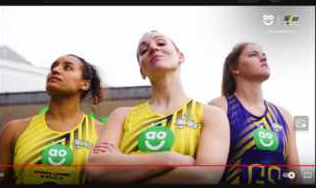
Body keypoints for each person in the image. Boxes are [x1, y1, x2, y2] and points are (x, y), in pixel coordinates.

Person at [85, 30, 230, 184]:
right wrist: (168, 159)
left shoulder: (211, 115)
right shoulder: (121, 116)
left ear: (180, 57)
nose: (153, 49)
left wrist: (122, 165)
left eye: (161, 43)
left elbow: (206, 177)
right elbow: (95, 170)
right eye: (144, 50)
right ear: (142, 71)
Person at [0, 54, 105, 184]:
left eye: (67, 67)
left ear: (85, 84)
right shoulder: (14, 130)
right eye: (53, 67)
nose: (55, 70)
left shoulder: (102, 133)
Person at [208, 42, 304, 184]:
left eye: (264, 55)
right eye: (253, 55)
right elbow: (207, 171)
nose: (263, 59)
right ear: (235, 68)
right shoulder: (219, 107)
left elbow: (295, 178)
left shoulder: (284, 115)